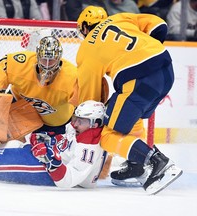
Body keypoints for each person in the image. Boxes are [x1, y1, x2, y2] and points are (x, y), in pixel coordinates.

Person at [76, 5, 182, 194]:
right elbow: (159, 26)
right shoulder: (120, 18)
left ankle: (157, 162)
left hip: (139, 80)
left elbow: (90, 100)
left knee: (107, 134)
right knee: (130, 118)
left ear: (84, 28)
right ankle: (136, 165)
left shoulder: (87, 48)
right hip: (166, 68)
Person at [0, 100, 108, 188]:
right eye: (75, 118)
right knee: (12, 144)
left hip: (49, 173)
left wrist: (49, 158)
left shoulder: (89, 148)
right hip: (52, 160)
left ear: (95, 124)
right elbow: (65, 142)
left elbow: (66, 180)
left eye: (80, 121)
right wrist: (44, 140)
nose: (74, 123)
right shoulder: (84, 130)